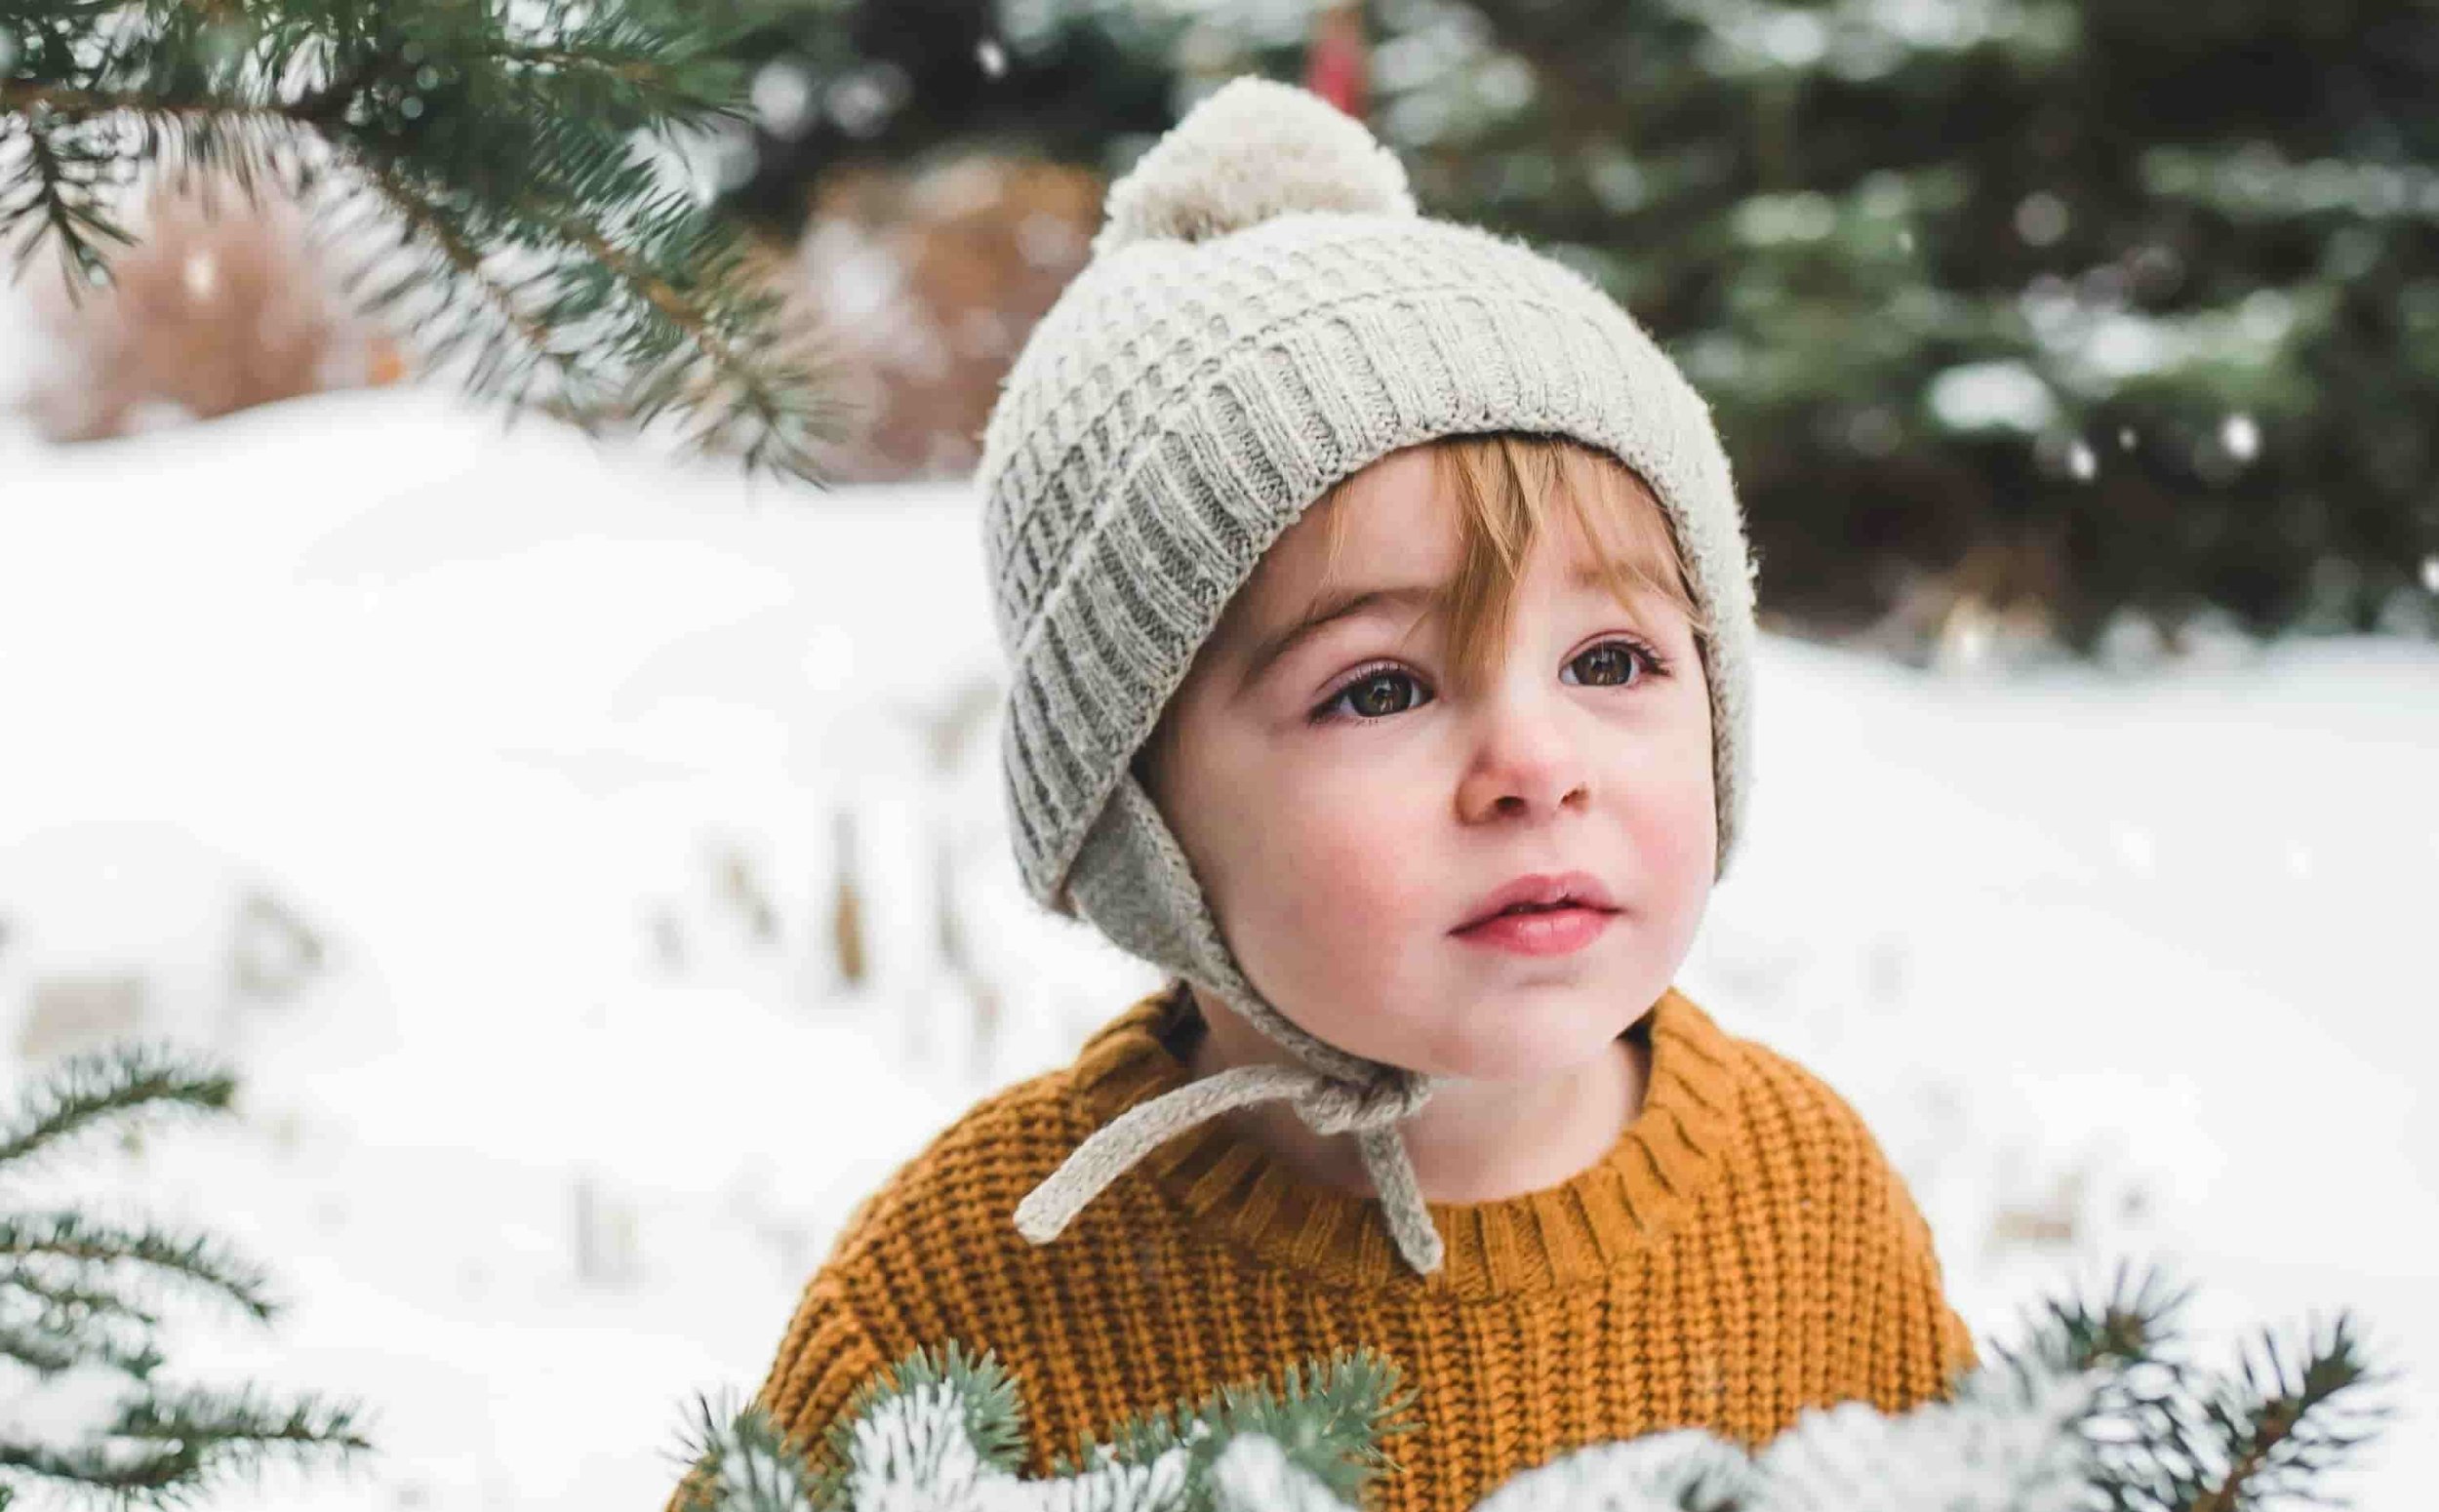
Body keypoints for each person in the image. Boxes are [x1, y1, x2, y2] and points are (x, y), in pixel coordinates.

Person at [668, 74, 1975, 1512]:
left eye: (1610, 658)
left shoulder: (1808, 1212)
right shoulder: (971, 1292)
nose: (1539, 767)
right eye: (1382, 689)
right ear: (1137, 814)